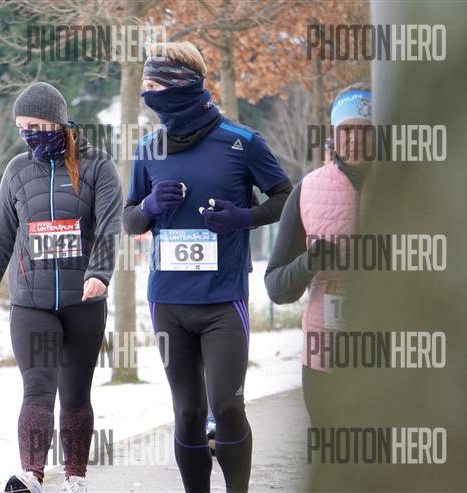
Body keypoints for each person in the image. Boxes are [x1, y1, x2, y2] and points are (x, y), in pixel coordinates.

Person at [123, 42, 292, 493]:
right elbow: (129, 219)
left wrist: (244, 218)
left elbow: (285, 197)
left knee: (227, 406)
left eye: (155, 85)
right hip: (168, 303)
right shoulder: (148, 150)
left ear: (182, 86)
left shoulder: (241, 142)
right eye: (144, 86)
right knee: (188, 412)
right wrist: (149, 206)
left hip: (222, 301)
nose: (148, 95)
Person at [0, 82, 123, 493]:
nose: (30, 135)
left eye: (37, 126)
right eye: (23, 128)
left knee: (75, 393)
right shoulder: (17, 171)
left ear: (58, 121)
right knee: (37, 388)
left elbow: (110, 227)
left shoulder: (98, 166)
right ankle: (31, 475)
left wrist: (99, 274)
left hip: (84, 302)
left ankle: (75, 477)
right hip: (31, 303)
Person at [264, 83, 373, 424]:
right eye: (346, 130)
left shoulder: (408, 188)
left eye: (365, 130)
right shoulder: (308, 190)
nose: (355, 140)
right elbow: (276, 288)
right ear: (334, 135)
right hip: (325, 355)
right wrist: (308, 263)